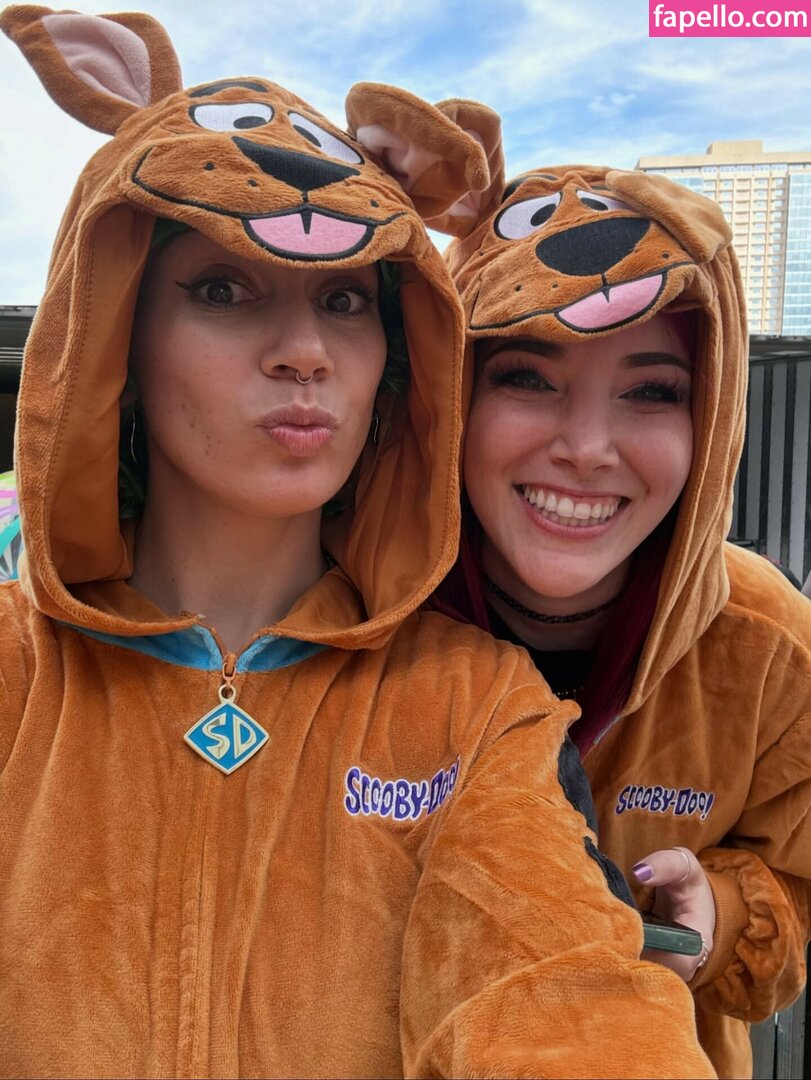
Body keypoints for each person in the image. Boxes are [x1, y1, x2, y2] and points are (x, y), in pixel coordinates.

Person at [0, 7, 716, 1078]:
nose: (304, 351)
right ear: (117, 337)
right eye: (222, 290)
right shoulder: (14, 674)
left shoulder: (482, 707)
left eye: (343, 299)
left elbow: (562, 989)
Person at [429, 119, 811, 1080]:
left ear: (710, 416)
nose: (586, 448)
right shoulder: (352, 615)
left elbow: (800, 890)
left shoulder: (770, 645)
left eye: (650, 393)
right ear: (447, 397)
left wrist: (722, 916)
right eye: (526, 378)